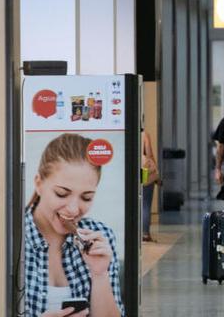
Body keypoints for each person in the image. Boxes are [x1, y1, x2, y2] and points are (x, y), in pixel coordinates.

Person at [24, 133, 123, 317]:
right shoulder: (10, 238)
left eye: (86, 197)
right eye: (62, 194)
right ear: (39, 183)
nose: (73, 209)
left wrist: (100, 274)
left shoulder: (100, 236)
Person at [141, 129, 159, 242]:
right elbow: (149, 154)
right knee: (145, 204)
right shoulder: (144, 135)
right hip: (144, 171)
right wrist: (156, 171)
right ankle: (145, 234)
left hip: (128, 173)